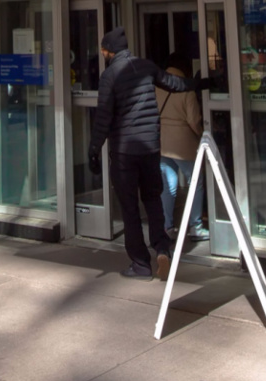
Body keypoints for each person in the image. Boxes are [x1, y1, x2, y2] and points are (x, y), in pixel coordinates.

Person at [89, 26, 208, 280]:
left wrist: (93, 150)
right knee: (153, 199)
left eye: (103, 50)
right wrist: (200, 83)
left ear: (109, 51)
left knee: (130, 207)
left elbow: (103, 117)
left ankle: (141, 264)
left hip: (124, 152)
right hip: (151, 148)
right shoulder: (146, 67)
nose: (103, 54)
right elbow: (175, 84)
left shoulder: (109, 76)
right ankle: (162, 249)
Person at [156, 53, 207, 241]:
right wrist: (203, 135)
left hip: (161, 143)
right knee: (195, 182)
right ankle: (196, 226)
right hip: (183, 145)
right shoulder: (186, 88)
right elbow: (193, 120)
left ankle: (167, 227)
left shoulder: (156, 85)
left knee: (167, 185)